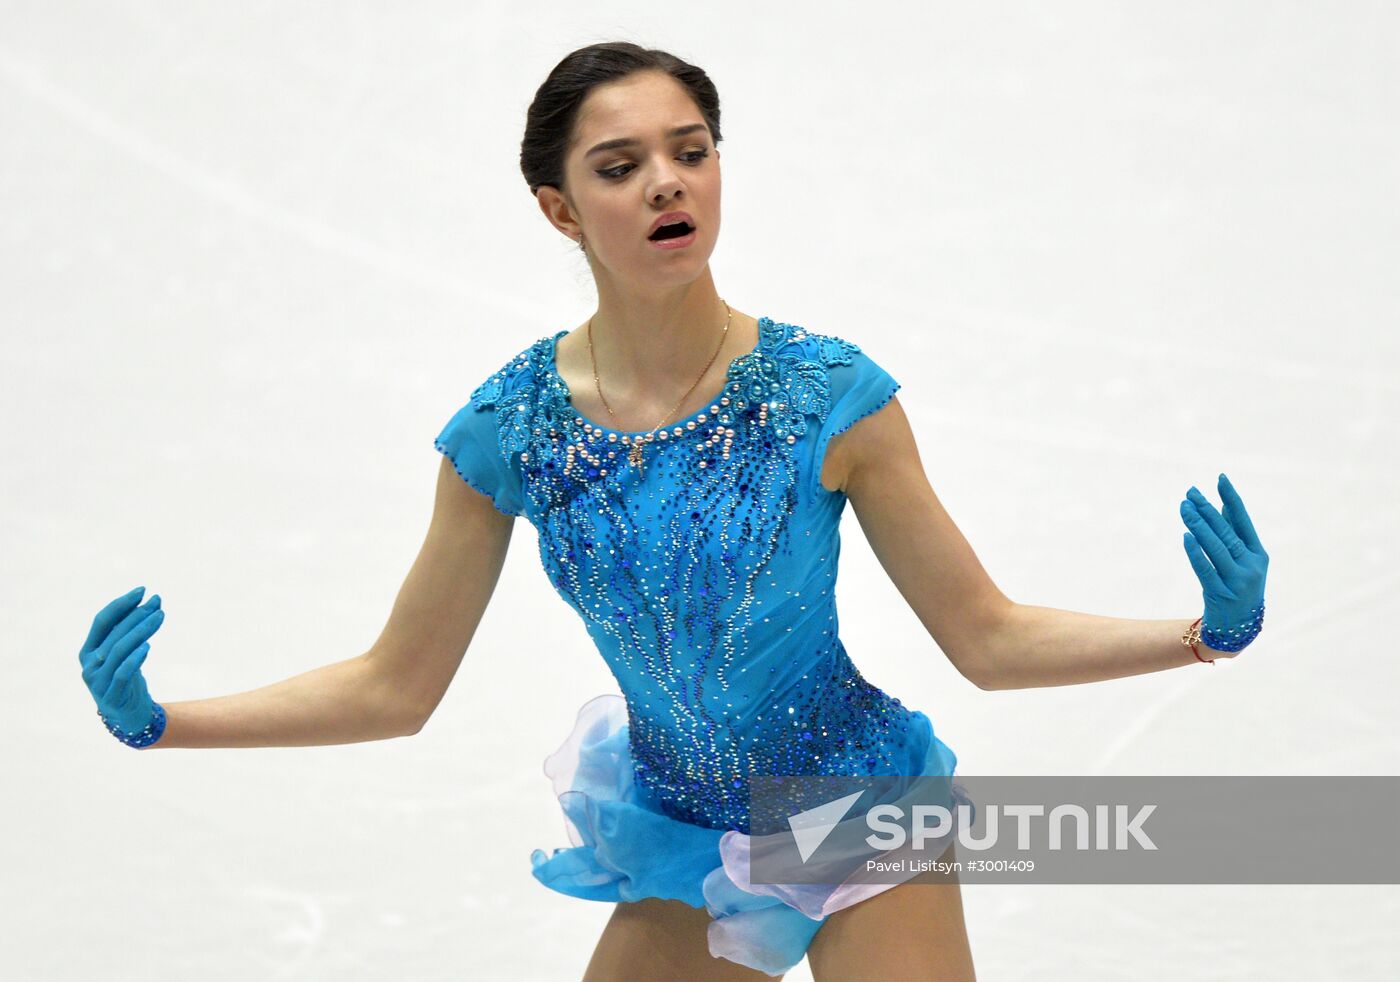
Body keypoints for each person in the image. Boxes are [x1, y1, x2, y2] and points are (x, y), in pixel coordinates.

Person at [78, 41, 1269, 981]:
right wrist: (165, 722)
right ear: (559, 210)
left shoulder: (826, 398)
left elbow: (987, 637)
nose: (666, 182)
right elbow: (396, 685)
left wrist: (1198, 634)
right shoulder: (510, 431)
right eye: (619, 166)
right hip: (681, 825)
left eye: (689, 151)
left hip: (851, 805)